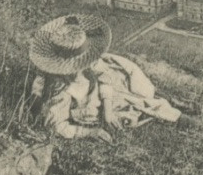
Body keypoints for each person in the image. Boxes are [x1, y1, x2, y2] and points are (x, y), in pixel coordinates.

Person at [27, 14, 186, 141]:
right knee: (135, 106)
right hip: (87, 104)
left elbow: (103, 74)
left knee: (134, 87)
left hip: (102, 90)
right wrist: (90, 132)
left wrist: (108, 109)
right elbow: (56, 126)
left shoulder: (88, 60)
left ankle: (171, 105)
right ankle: (176, 115)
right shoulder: (59, 90)